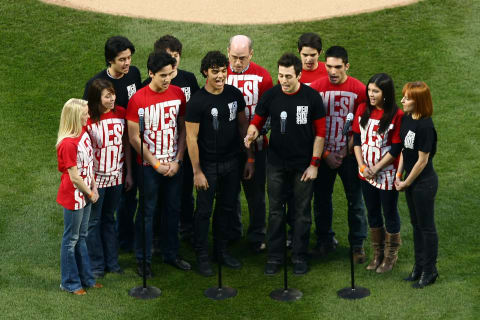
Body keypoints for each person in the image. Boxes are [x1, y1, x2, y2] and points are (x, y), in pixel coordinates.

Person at [245, 53, 326, 275]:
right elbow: (257, 122)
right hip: (276, 164)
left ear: (299, 74)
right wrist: (251, 134)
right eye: (280, 75)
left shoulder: (312, 98)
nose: (283, 80)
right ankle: (274, 257)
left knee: (301, 212)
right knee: (275, 211)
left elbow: (320, 134)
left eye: (288, 76)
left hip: (303, 165)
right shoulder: (271, 96)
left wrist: (314, 164)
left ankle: (299, 256)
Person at [185, 51, 253, 277]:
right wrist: (197, 171)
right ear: (205, 72)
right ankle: (202, 256)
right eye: (215, 72)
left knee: (226, 208)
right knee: (203, 211)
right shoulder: (197, 101)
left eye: (223, 71)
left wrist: (249, 157)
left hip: (232, 162)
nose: (220, 76)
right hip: (207, 167)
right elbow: (191, 138)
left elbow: (243, 127)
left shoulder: (234, 94)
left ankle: (221, 251)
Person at [126, 51, 190, 277]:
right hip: (148, 168)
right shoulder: (138, 99)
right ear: (151, 73)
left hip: (173, 164)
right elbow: (134, 137)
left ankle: (171, 254)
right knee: (147, 212)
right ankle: (143, 259)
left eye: (170, 74)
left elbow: (183, 129)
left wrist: (178, 160)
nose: (167, 80)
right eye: (162, 75)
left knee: (173, 209)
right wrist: (155, 164)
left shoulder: (178, 94)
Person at [83, 36, 142, 252]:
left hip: (128, 146)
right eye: (122, 59)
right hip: (105, 156)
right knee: (101, 213)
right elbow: (86, 121)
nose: (127, 63)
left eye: (129, 58)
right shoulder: (95, 84)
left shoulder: (134, 74)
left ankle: (123, 242)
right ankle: (100, 251)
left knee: (129, 198)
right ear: (110, 60)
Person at [310, 46, 368, 263]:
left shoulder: (360, 90)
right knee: (321, 200)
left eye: (337, 67)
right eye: (329, 67)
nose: (332, 72)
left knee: (355, 200)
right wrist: (325, 154)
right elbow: (311, 127)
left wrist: (345, 151)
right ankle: (325, 241)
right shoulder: (315, 89)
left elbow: (363, 126)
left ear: (347, 66)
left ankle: (358, 245)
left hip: (350, 156)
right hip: (324, 155)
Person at [143, 35, 200, 245]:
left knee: (184, 193)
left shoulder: (188, 79)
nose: (173, 62)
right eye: (168, 57)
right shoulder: (146, 87)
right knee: (155, 201)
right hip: (156, 153)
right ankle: (157, 236)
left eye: (176, 56)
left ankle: (186, 230)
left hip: (182, 148)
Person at [352, 73, 404, 273]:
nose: (371, 94)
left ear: (386, 93)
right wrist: (363, 166)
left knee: (389, 212)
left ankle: (391, 256)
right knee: (372, 212)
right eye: (370, 90)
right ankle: (377, 254)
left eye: (376, 91)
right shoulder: (362, 109)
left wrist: (377, 168)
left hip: (387, 174)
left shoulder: (396, 115)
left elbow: (396, 148)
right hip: (366, 172)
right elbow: (357, 140)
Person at [226, 34, 273, 252]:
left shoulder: (263, 77)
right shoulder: (219, 74)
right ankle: (233, 231)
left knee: (255, 193)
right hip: (228, 147)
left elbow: (269, 114)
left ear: (251, 54)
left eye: (242, 58)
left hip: (257, 146)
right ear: (228, 52)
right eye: (234, 57)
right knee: (229, 191)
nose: (237, 62)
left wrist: (258, 133)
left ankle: (257, 235)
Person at [85, 79, 132, 278]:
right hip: (97, 180)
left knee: (109, 219)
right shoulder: (88, 120)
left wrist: (128, 172)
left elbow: (126, 144)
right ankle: (97, 265)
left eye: (112, 94)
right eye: (107, 95)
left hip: (116, 177)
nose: (112, 98)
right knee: (94, 222)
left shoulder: (121, 113)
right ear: (97, 98)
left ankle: (112, 263)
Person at [56, 98, 102, 295]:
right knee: (71, 239)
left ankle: (86, 278)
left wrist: (94, 187)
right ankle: (69, 282)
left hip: (85, 193)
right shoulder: (68, 143)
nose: (88, 115)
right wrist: (91, 192)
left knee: (81, 236)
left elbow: (89, 164)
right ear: (76, 116)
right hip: (74, 196)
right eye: (85, 113)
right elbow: (74, 177)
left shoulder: (83, 133)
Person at [395, 81, 439, 288]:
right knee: (416, 225)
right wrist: (398, 174)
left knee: (426, 227)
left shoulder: (425, 126)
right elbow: (405, 149)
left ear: (419, 101)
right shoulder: (407, 118)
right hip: (410, 182)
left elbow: (422, 161)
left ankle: (429, 271)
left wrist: (406, 182)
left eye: (407, 97)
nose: (402, 100)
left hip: (423, 183)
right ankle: (419, 266)